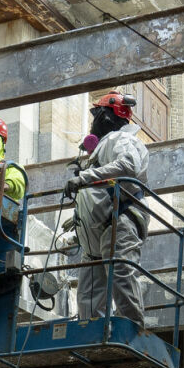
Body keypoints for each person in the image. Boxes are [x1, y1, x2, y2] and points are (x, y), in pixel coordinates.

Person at [63, 91, 151, 330]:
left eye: (96, 115)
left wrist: (85, 177)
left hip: (121, 218)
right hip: (99, 227)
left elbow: (128, 166)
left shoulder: (121, 140)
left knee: (121, 274)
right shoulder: (103, 148)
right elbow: (100, 190)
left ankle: (132, 330)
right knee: (89, 293)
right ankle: (92, 334)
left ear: (108, 116)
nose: (93, 121)